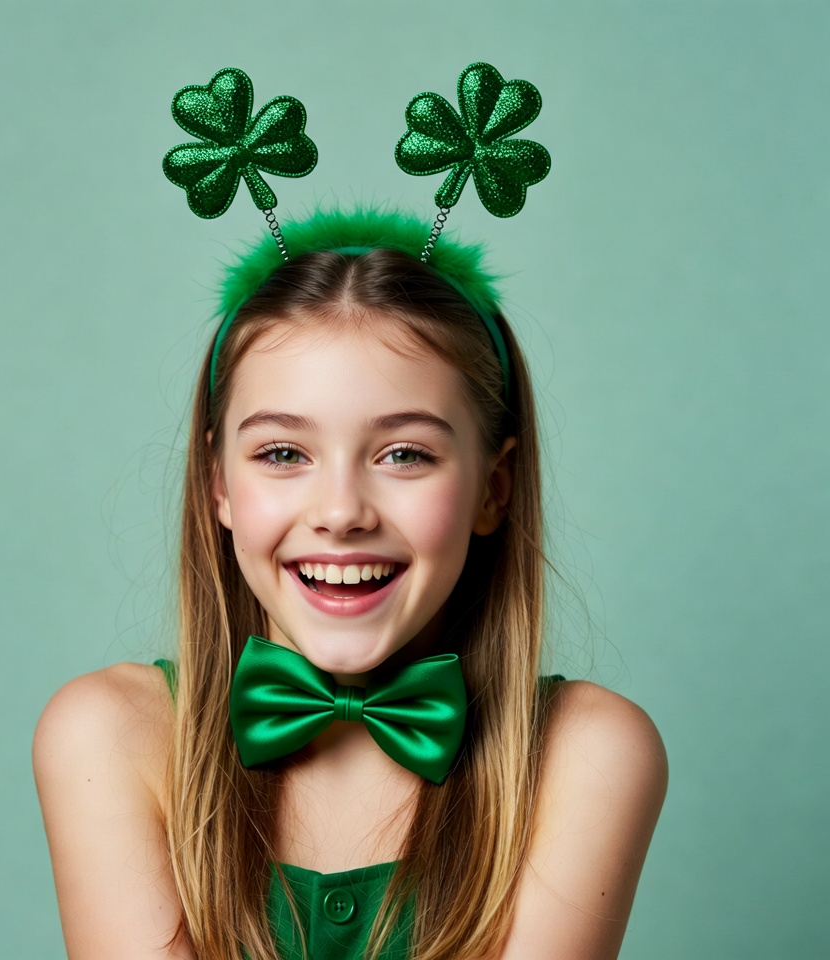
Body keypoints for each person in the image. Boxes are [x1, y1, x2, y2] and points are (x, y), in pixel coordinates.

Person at [33, 209, 668, 960]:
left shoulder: (587, 753)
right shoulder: (107, 735)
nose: (340, 513)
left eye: (403, 454)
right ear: (218, 485)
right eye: (281, 453)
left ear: (494, 488)